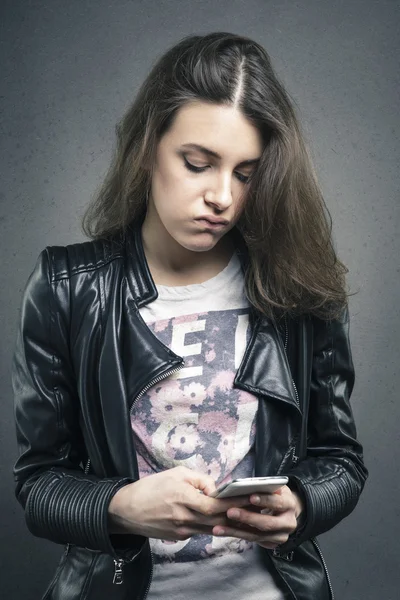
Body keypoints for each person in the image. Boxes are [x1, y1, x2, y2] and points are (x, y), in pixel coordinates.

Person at [12, 32, 368, 600]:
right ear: (148, 147)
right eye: (198, 163)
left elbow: (342, 461)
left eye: (245, 174)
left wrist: (301, 503)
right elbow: (38, 485)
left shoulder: (298, 284)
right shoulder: (67, 287)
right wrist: (120, 507)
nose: (222, 196)